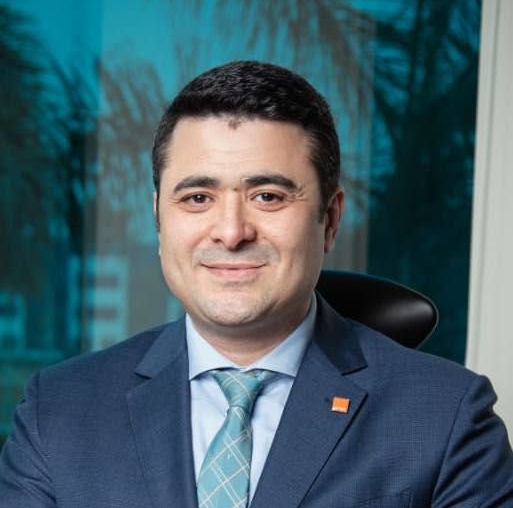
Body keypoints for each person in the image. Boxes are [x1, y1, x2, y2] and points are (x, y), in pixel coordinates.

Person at [1, 60, 512, 508]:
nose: (231, 232)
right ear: (159, 218)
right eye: (197, 198)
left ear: (330, 220)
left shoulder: (446, 418)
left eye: (267, 196)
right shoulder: (58, 410)